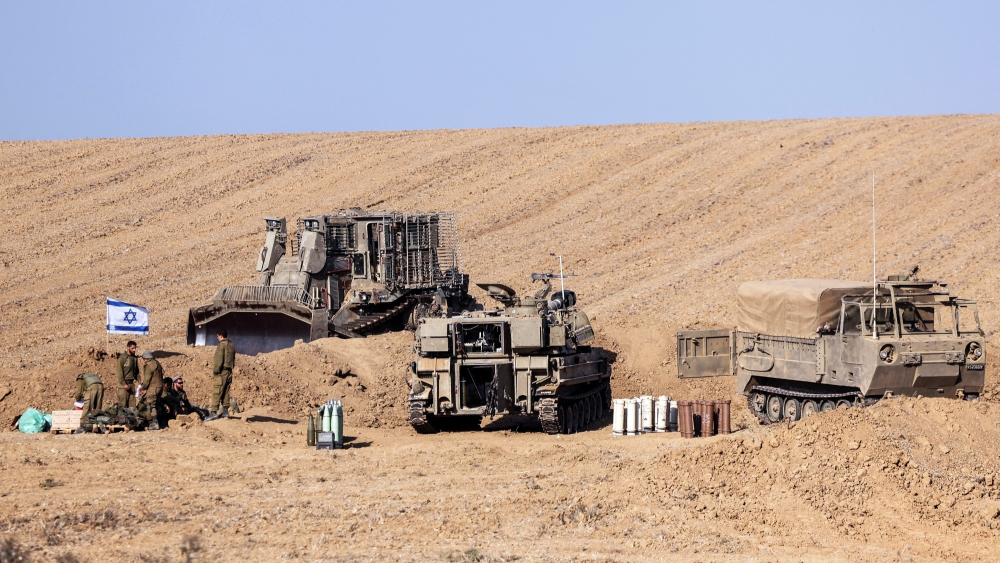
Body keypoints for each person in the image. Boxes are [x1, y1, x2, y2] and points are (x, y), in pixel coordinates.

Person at [208, 329, 236, 420]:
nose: (217, 338)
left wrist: (216, 371)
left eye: (217, 336)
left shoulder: (221, 346)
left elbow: (218, 360)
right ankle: (225, 411)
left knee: (217, 391)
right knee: (226, 392)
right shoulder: (231, 346)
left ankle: (213, 412)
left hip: (222, 372)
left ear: (220, 336)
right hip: (229, 371)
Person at [137, 351, 164, 430]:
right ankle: (161, 422)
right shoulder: (157, 363)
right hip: (160, 387)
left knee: (151, 406)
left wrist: (143, 388)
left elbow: (147, 379)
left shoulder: (148, 365)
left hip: (153, 387)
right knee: (157, 404)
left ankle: (155, 424)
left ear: (145, 359)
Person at [115, 341, 140, 408]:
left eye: (135, 348)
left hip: (131, 384)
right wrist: (124, 384)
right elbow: (119, 373)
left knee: (132, 407)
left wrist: (139, 380)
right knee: (122, 406)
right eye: (132, 348)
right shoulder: (122, 358)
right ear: (128, 348)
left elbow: (136, 371)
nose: (134, 350)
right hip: (123, 386)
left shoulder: (134, 358)